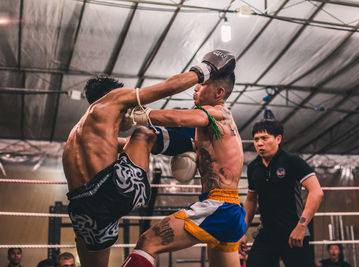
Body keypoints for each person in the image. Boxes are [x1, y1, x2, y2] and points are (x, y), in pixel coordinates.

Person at [62, 49, 235, 267]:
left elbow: (123, 146)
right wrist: (207, 69)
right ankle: (192, 143)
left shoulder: (77, 136)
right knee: (144, 134)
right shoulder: (112, 99)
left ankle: (190, 144)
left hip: (82, 209)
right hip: (115, 190)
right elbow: (170, 86)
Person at [122, 50, 245, 267]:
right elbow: (173, 126)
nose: (196, 87)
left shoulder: (218, 113)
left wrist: (137, 115)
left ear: (219, 92)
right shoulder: (211, 126)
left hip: (219, 206)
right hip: (228, 207)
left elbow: (178, 118)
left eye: (202, 84)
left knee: (148, 241)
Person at [239, 119, 324, 267]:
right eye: (256, 139)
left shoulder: (292, 161)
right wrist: (241, 231)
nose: (259, 143)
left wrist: (301, 226)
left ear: (278, 139)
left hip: (294, 233)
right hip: (267, 234)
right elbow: (251, 200)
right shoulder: (253, 167)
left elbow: (316, 192)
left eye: (264, 138)